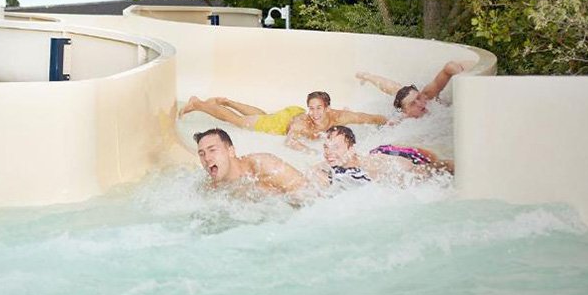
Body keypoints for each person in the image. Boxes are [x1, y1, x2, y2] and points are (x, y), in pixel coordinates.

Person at [180, 91, 386, 153]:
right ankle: (199, 104)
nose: (314, 113)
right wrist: (310, 152)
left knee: (262, 115)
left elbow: (364, 117)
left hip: (287, 114)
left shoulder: (339, 116)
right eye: (311, 108)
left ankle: (228, 100)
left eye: (318, 109)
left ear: (328, 108)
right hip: (281, 123)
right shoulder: (303, 123)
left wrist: (388, 121)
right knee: (237, 121)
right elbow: (290, 141)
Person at [309, 125, 454, 190]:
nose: (329, 152)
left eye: (335, 147)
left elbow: (411, 176)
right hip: (380, 152)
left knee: (440, 166)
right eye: (326, 147)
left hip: (404, 156)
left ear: (351, 149)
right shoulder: (336, 161)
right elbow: (315, 169)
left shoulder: (375, 165)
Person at [194, 127, 308, 195]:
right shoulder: (209, 188)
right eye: (201, 154)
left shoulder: (262, 165)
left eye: (212, 150)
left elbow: (308, 193)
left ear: (231, 151)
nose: (207, 158)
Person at [356, 60, 473, 119]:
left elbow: (449, 66)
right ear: (405, 112)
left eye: (418, 98)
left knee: (398, 90)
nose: (421, 103)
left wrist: (465, 78)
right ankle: (367, 76)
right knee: (397, 91)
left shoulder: (427, 96)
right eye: (413, 104)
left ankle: (367, 76)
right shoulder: (403, 119)